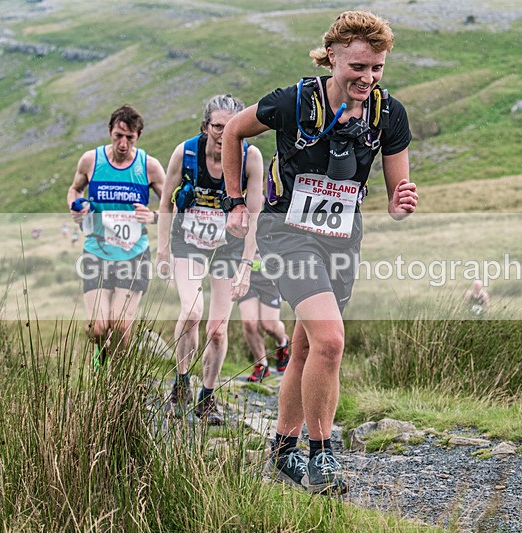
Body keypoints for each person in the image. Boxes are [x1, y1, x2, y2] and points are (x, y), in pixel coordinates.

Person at [222, 11, 418, 495]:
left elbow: (396, 200)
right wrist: (232, 201)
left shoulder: (388, 115)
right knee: (331, 341)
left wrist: (400, 204)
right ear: (332, 55)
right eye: (358, 66)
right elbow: (232, 132)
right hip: (285, 233)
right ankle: (321, 456)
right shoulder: (293, 101)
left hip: (341, 239)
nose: (367, 78)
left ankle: (283, 449)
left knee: (310, 345)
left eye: (376, 68)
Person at [157, 94, 263, 425]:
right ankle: (180, 384)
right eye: (218, 126)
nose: (224, 132)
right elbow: (165, 205)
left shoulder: (251, 158)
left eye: (232, 125)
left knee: (216, 330)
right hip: (187, 242)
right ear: (206, 127)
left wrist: (246, 265)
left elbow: (256, 214)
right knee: (191, 311)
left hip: (227, 249)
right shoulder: (185, 153)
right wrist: (162, 250)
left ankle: (207, 398)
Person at [67, 104, 165, 369]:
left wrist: (153, 216)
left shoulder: (149, 166)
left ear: (138, 137)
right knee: (97, 327)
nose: (123, 143)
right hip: (97, 251)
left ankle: (116, 382)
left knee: (121, 325)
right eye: (118, 136)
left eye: (129, 138)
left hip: (134, 254)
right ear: (110, 132)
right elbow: (75, 189)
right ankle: (103, 353)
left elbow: (172, 203)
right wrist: (77, 208)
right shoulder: (91, 160)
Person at [239, 254, 290, 383]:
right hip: (246, 274)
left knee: (269, 327)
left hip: (270, 277)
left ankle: (283, 343)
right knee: (249, 322)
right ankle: (262, 365)